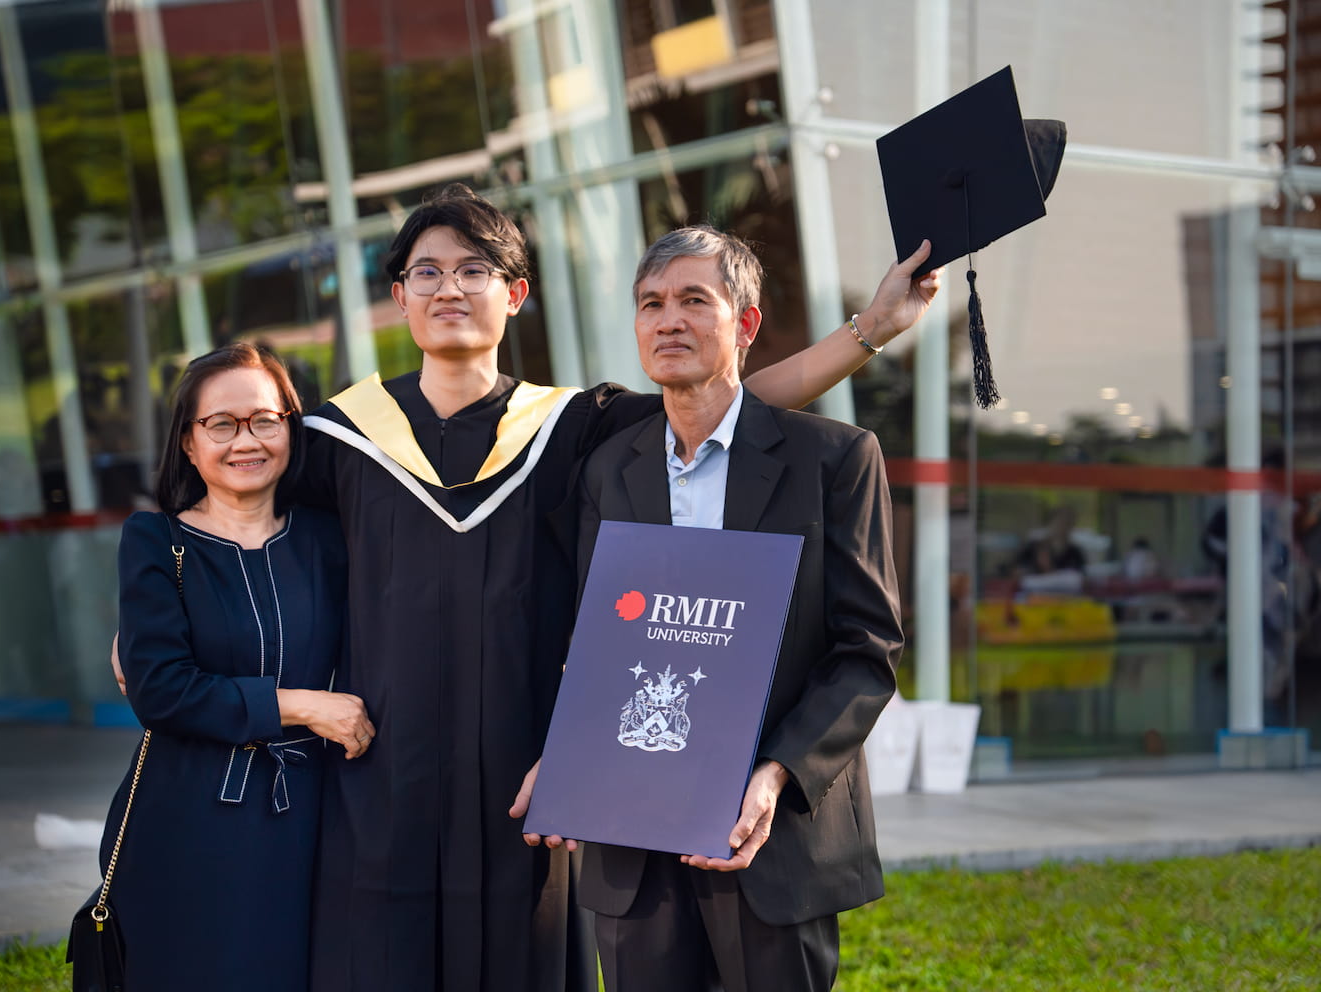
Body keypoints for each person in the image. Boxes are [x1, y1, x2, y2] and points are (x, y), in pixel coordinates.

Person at [297, 185, 938, 992]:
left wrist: (869, 333)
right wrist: (158, 616)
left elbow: (728, 408)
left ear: (515, 294)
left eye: (473, 269)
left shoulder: (570, 430)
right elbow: (248, 520)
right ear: (398, 297)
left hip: (567, 769)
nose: (449, 288)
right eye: (426, 272)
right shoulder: (339, 436)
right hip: (400, 770)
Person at [527, 225, 903, 991]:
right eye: (652, 303)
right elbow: (594, 640)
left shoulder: (832, 460)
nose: (670, 320)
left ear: (746, 323)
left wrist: (774, 776)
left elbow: (864, 655)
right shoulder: (609, 470)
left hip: (771, 831)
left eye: (695, 300)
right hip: (632, 833)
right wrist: (570, 758)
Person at [101, 343, 373, 992]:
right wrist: (305, 705)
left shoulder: (329, 537)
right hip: (187, 817)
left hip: (310, 815)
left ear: (291, 428)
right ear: (189, 445)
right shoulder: (155, 541)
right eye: (220, 424)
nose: (244, 440)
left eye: (264, 420)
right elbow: (161, 693)